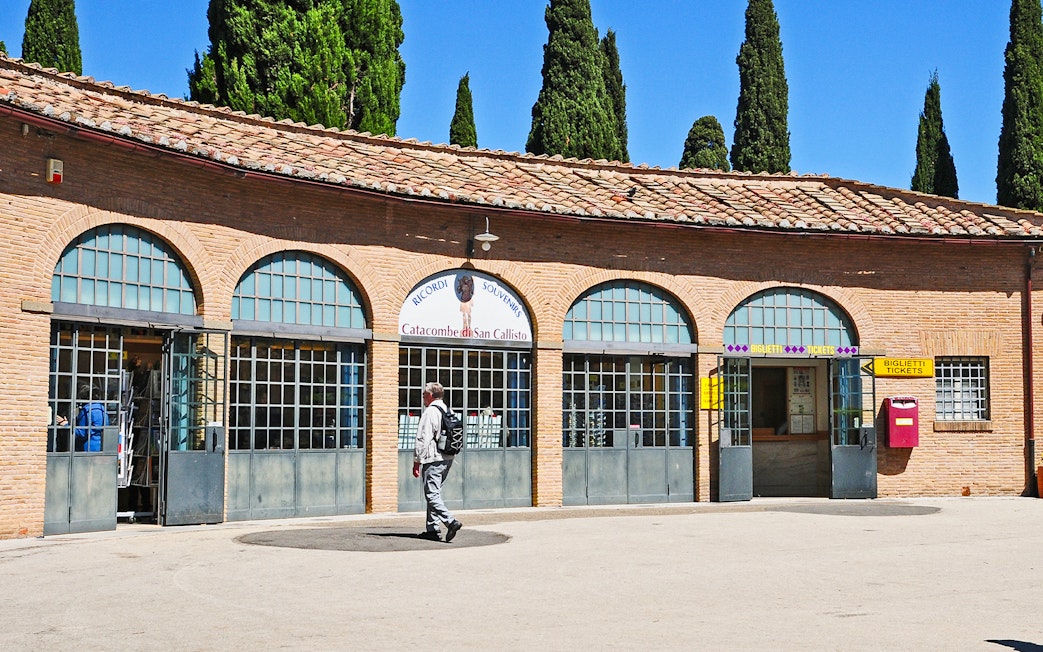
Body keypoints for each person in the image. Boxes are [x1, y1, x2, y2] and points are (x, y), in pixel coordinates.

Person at [412, 381, 463, 542]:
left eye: (423, 395)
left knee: (432, 495)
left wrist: (417, 461)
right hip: (447, 457)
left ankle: (450, 521)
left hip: (433, 458)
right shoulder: (448, 409)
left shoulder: (430, 412)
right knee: (434, 493)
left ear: (429, 395)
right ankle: (432, 529)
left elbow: (423, 438)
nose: (422, 398)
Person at [74, 383, 108, 452]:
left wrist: (66, 425)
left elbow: (82, 433)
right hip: (102, 445)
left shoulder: (87, 410)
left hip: (88, 447)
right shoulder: (102, 409)